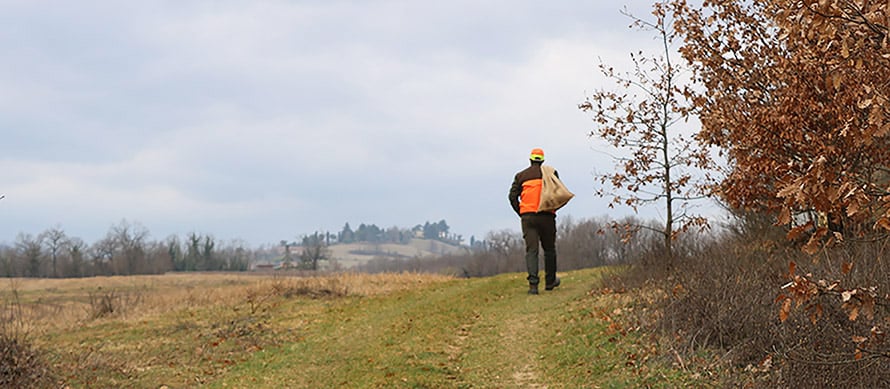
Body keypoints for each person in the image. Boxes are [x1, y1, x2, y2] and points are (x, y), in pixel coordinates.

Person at [508, 148, 561, 295]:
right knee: (549, 249)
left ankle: (533, 286)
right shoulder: (551, 174)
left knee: (532, 251)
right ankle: (550, 282)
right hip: (546, 215)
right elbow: (558, 193)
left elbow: (512, 197)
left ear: (530, 160)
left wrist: (521, 212)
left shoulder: (520, 176)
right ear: (542, 161)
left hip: (528, 217)